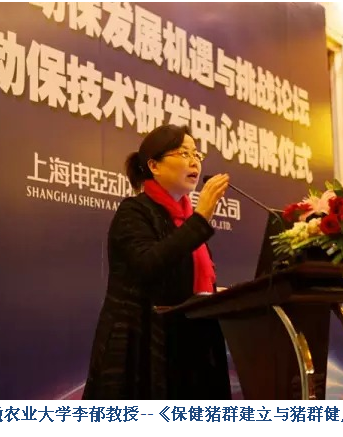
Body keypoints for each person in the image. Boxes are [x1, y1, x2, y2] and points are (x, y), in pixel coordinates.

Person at [82, 124, 232, 400]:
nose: (194, 161)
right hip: (143, 347)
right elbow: (147, 265)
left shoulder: (186, 219)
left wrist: (214, 294)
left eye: (196, 154)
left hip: (190, 346)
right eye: (183, 153)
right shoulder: (134, 212)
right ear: (154, 165)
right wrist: (201, 218)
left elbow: (184, 280)